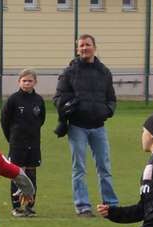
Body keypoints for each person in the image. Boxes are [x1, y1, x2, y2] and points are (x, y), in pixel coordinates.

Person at [53, 34, 119, 217]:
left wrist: (107, 111)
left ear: (94, 47)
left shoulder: (104, 72)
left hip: (99, 126)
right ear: (77, 49)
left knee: (104, 167)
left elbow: (112, 99)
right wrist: (69, 106)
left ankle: (111, 205)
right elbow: (57, 98)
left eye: (87, 45)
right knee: (79, 168)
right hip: (77, 127)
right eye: (81, 45)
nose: (84, 48)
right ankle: (82, 206)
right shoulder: (69, 72)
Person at [1, 69, 46, 218]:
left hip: (34, 143)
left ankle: (29, 206)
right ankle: (17, 207)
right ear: (19, 82)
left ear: (35, 82)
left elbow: (41, 119)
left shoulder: (39, 100)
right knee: (17, 174)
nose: (27, 83)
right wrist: (12, 138)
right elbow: (5, 120)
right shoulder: (13, 99)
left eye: (30, 81)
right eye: (24, 81)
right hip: (17, 144)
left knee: (31, 174)